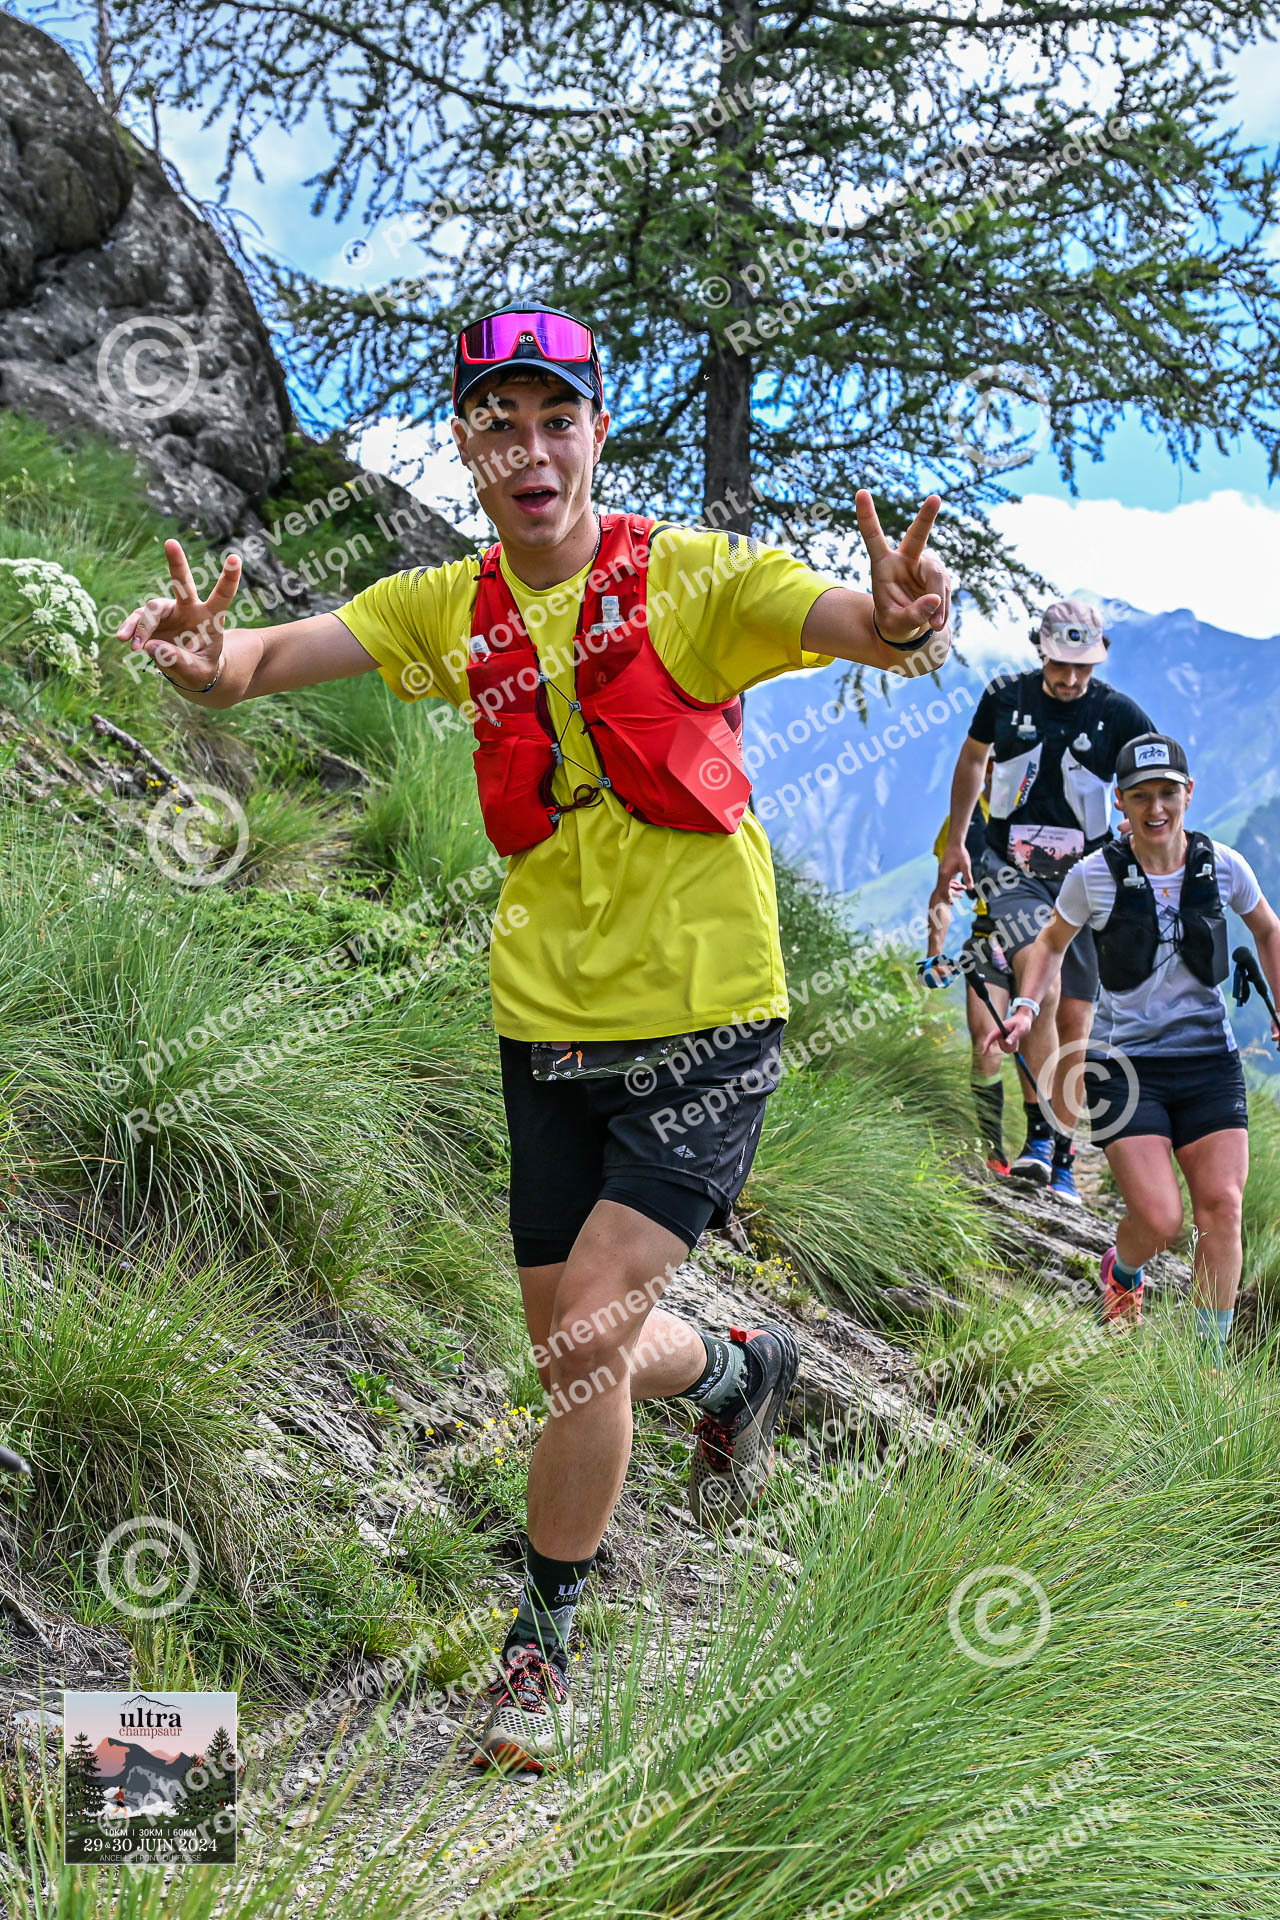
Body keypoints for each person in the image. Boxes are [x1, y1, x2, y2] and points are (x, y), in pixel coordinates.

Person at [115, 304, 954, 1773]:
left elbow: (860, 626)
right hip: (547, 1026)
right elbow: (260, 659)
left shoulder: (693, 579)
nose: (529, 449)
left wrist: (900, 613)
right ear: (466, 447)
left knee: (583, 1334)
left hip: (707, 1017)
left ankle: (542, 1648)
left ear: (596, 433)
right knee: (577, 1340)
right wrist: (202, 657)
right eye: (497, 424)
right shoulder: (445, 607)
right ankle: (739, 1375)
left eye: (555, 418)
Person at [988, 732, 1280, 1350]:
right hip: (1126, 1068)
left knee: (1222, 1208)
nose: (1156, 809)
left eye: (1167, 793)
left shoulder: (1224, 866)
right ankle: (1121, 1272)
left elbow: (1268, 931)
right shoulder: (1093, 876)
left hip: (1210, 1063)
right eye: (1140, 795)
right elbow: (1050, 944)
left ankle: (1207, 1362)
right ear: (1119, 801)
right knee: (1161, 1219)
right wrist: (1025, 1006)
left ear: (1188, 793)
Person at [937, 600, 1156, 1202]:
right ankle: (1035, 1137)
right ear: (1040, 648)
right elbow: (972, 759)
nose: (1071, 678)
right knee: (1043, 972)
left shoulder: (1117, 713)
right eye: (1061, 663)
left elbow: (1156, 778)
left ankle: (1060, 1155)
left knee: (1075, 1021)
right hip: (1010, 869)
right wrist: (956, 843)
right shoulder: (1006, 697)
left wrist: (1145, 831)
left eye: (1084, 666)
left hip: (1088, 878)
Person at [919, 778, 1030, 1175]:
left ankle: (1044, 1145)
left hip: (1040, 937)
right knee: (986, 1045)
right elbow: (944, 892)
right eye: (988, 761)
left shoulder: (1042, 807)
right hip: (988, 938)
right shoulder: (961, 822)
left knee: (1037, 1047)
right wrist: (934, 952)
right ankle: (994, 1150)